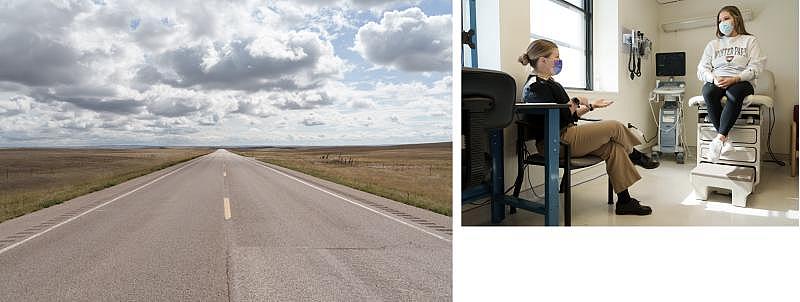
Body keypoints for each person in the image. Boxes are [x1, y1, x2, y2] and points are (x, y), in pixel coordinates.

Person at [518, 39, 657, 216]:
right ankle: (636, 155)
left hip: (566, 135)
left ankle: (624, 201)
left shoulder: (550, 83)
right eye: (556, 57)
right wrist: (576, 101)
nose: (559, 61)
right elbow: (558, 113)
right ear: (543, 60)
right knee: (614, 126)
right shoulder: (534, 87)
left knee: (613, 148)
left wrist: (591, 106)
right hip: (554, 141)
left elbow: (569, 114)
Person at [698, 5, 766, 162]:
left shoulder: (749, 41)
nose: (723, 23)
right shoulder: (713, 45)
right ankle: (725, 140)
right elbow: (702, 69)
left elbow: (757, 66)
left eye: (726, 18)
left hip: (742, 81)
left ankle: (719, 139)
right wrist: (714, 79)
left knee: (734, 93)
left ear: (736, 19)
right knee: (708, 92)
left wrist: (736, 78)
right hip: (718, 80)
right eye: (720, 20)